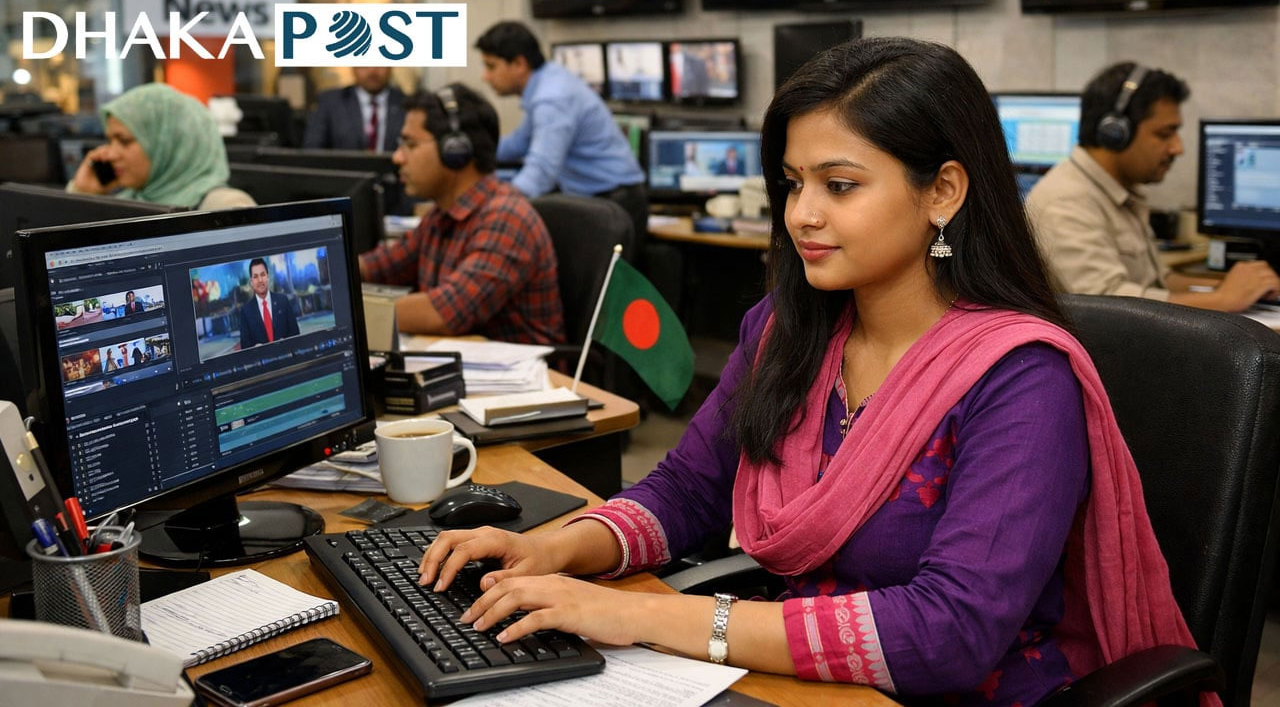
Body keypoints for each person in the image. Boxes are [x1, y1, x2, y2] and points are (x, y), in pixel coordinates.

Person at [415, 38, 1210, 706]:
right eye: (794, 184)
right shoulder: (787, 331)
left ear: (943, 191)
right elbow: (688, 490)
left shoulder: (1020, 379)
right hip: (802, 677)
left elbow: (951, 634)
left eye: (840, 185)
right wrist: (558, 550)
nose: (802, 214)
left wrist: (647, 618)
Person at [1028, 62, 1280, 311]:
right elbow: (1108, 306)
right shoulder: (1066, 202)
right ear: (1115, 133)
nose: (1178, 148)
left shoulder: (1119, 192)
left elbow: (1160, 282)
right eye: (1164, 134)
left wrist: (1239, 288)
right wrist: (1223, 299)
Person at [359, 83, 564, 345]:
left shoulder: (506, 217)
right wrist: (325, 275)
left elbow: (444, 313)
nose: (398, 157)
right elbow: (381, 265)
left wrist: (343, 313)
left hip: (523, 371)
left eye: (410, 144)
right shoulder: (441, 215)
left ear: (455, 151)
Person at [474, 22, 648, 245]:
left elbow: (541, 172)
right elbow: (519, 143)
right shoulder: (547, 82)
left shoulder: (552, 99)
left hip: (614, 204)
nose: (485, 76)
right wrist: (473, 152)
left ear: (519, 64)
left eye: (491, 67)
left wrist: (490, 204)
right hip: (600, 198)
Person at [69, 83, 255, 210]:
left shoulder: (226, 206)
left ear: (168, 144)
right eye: (110, 141)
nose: (110, 154)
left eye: (124, 141)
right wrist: (83, 194)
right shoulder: (131, 201)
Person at [303, 67, 406, 153]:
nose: (373, 71)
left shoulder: (405, 103)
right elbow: (312, 149)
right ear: (353, 68)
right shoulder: (330, 102)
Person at [239, 258, 300, 350]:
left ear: (268, 277)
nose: (260, 280)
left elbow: (295, 334)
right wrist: (255, 349)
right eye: (255, 277)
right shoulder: (246, 311)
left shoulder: (283, 301)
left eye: (262, 275)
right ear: (251, 282)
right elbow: (245, 346)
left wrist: (287, 343)